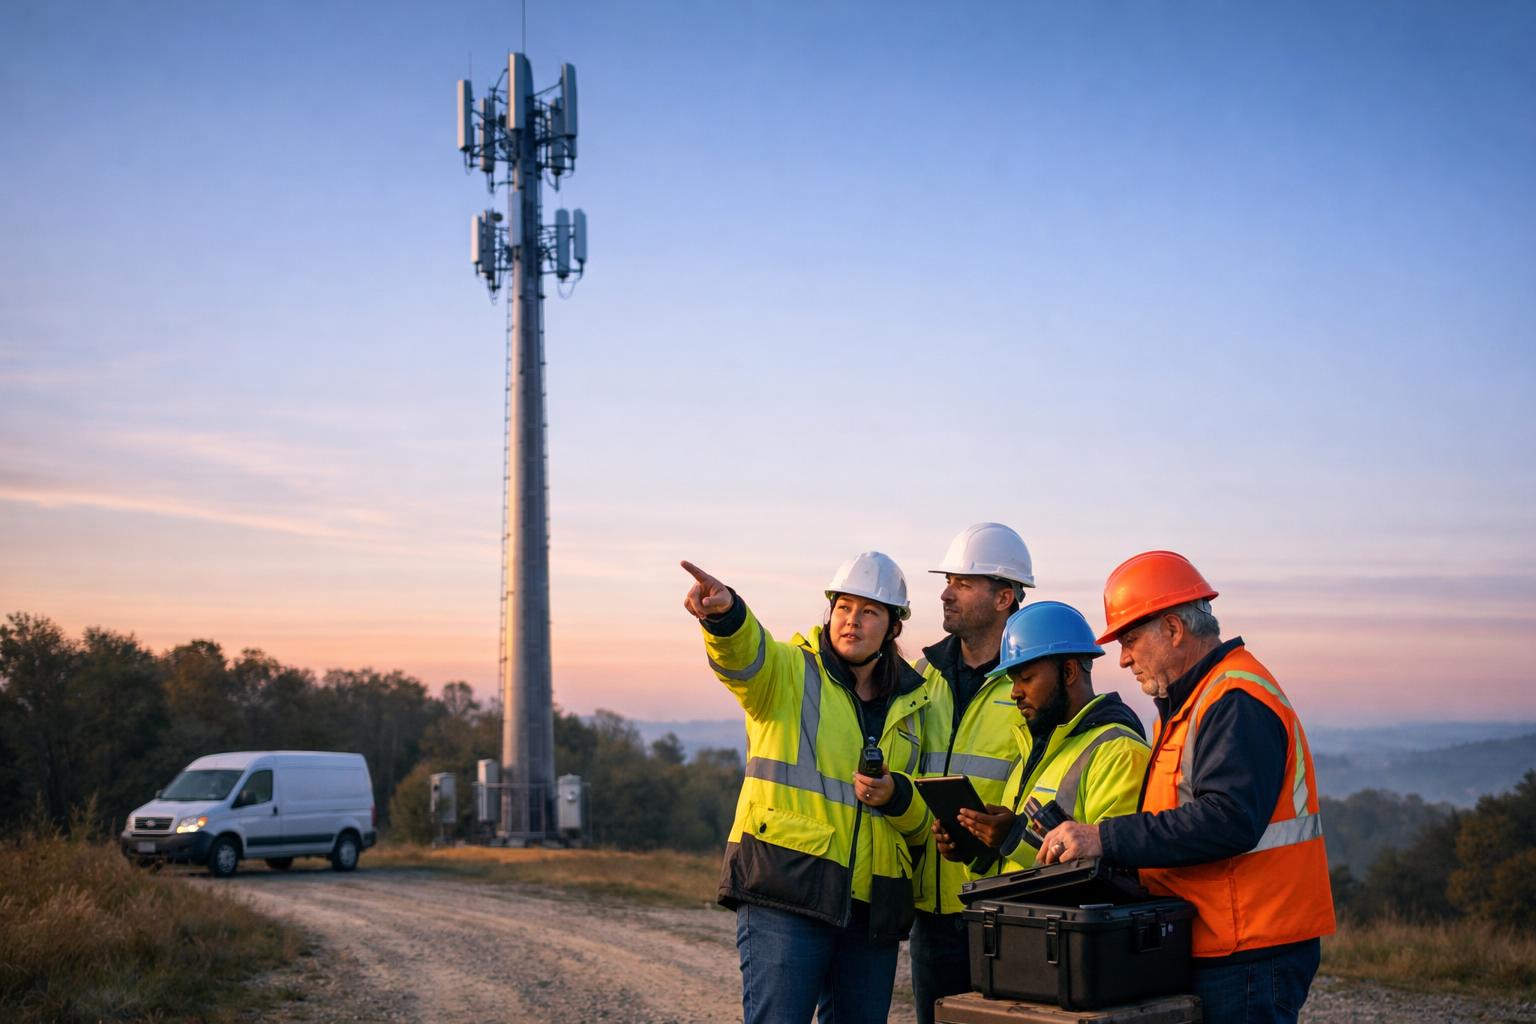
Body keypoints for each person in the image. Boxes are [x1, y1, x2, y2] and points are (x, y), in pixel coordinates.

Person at [1039, 551, 1335, 1024]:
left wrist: (1104, 838)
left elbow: (1228, 819)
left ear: (1174, 629)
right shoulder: (1194, 702)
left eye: (1131, 638)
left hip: (1251, 949)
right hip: (1226, 940)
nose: (1124, 658)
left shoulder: (1234, 699)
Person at [682, 553, 933, 1024]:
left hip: (871, 910)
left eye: (870, 611)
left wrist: (898, 797)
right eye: (843, 607)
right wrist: (727, 614)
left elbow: (921, 815)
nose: (852, 622)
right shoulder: (788, 672)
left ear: (893, 627)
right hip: (786, 889)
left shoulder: (915, 705)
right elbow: (744, 655)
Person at [908, 523, 1036, 1024]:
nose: (945, 593)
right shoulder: (921, 675)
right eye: (948, 581)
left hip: (1004, 910)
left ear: (1004, 596)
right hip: (933, 909)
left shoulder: (1031, 681)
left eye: (962, 583)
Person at [932, 601, 1149, 874]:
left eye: (1026, 678)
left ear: (1068, 671)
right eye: (1013, 681)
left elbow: (1112, 872)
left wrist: (1015, 837)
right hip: (1020, 915)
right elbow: (1018, 863)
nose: (1015, 693)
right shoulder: (1038, 748)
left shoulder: (1120, 753)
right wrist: (977, 849)